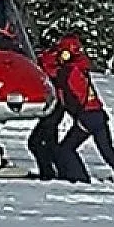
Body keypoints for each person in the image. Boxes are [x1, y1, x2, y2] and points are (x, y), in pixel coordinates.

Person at [53, 34, 114, 184]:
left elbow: (73, 95)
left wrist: (73, 109)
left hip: (86, 116)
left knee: (66, 149)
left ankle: (78, 177)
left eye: (62, 53)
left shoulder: (68, 71)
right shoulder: (81, 68)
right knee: (107, 150)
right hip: (97, 113)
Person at [26, 45, 65, 180]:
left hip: (55, 106)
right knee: (49, 141)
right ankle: (55, 170)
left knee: (36, 141)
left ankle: (49, 172)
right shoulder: (50, 60)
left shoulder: (48, 61)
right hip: (56, 106)